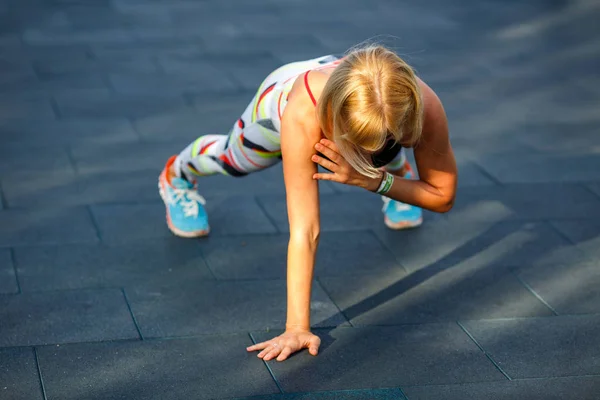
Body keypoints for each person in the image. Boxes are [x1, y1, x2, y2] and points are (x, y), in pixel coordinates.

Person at [158, 44, 457, 361]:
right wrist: (296, 327)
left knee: (379, 149)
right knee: (233, 161)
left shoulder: (421, 104)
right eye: (358, 146)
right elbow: (305, 229)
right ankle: (176, 175)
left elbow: (442, 198)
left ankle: (395, 170)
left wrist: (376, 181)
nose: (366, 155)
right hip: (281, 104)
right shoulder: (303, 112)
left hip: (364, 113)